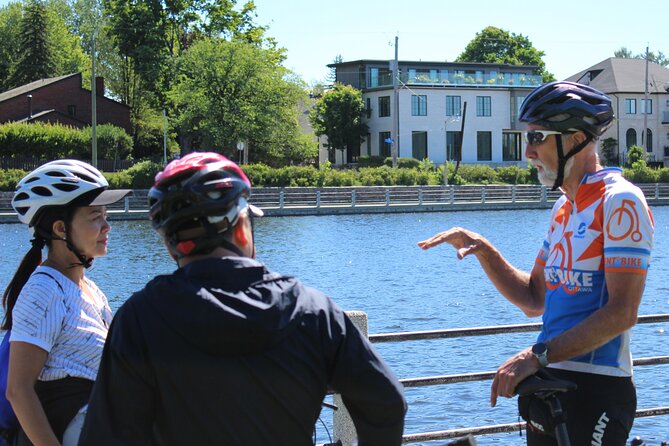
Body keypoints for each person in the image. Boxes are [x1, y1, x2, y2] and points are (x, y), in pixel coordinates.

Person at [78, 152, 407, 446]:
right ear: (241, 229)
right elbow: (387, 402)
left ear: (170, 245)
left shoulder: (140, 319)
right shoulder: (312, 311)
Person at [418, 81, 654, 445]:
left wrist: (534, 356)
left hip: (598, 386)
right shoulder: (564, 207)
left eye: (537, 137)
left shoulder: (621, 202)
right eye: (526, 138)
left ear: (575, 138)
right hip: (550, 385)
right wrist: (484, 249)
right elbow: (533, 298)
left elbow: (623, 312)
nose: (528, 151)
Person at [2, 160, 130, 446]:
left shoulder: (90, 290)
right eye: (95, 216)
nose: (107, 226)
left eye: (106, 215)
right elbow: (18, 390)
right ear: (61, 228)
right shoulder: (44, 290)